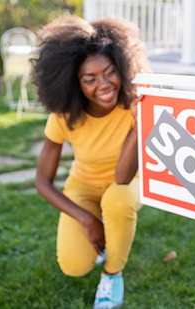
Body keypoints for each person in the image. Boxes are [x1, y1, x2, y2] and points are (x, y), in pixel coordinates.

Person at [31, 15, 149, 309]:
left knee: (118, 199)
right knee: (73, 265)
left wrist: (138, 126)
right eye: (90, 79)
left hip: (128, 182)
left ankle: (112, 275)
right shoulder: (64, 114)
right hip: (84, 185)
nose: (104, 84)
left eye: (110, 72)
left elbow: (122, 178)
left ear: (122, 66)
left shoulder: (134, 105)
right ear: (73, 82)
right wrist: (87, 219)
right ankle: (103, 238)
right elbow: (42, 181)